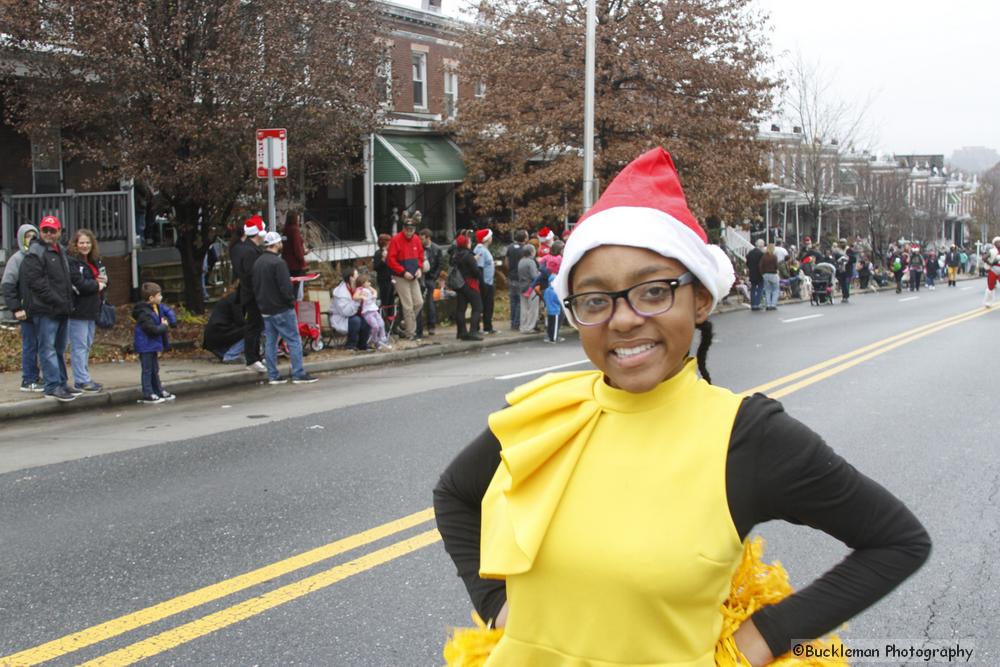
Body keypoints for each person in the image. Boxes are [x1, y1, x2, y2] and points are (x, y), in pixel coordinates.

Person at [433, 148, 930, 666]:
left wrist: (757, 643)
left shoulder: (747, 435)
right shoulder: (546, 410)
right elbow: (454, 494)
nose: (622, 320)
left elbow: (897, 541)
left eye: (653, 291)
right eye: (595, 300)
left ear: (701, 301)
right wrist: (497, 607)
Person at [20, 216, 79, 402]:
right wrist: (57, 301)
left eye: (52, 231)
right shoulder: (35, 252)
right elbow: (36, 283)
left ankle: (61, 383)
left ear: (59, 232)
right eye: (45, 230)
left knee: (59, 348)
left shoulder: (60, 250)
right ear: (41, 231)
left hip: (62, 309)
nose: (48, 234)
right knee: (48, 349)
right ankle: (52, 386)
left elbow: (65, 281)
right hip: (45, 310)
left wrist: (67, 302)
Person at [253, 231, 317, 385]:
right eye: (280, 242)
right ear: (275, 244)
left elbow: (256, 285)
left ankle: (273, 375)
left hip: (265, 308)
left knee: (271, 341)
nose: (282, 244)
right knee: (293, 340)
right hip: (281, 308)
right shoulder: (279, 263)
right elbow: (285, 288)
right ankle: (298, 373)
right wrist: (290, 301)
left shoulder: (258, 262)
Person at [1, 223, 42, 392]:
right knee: (30, 346)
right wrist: (16, 308)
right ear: (21, 238)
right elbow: (8, 285)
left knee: (44, 346)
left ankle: (40, 377)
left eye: (34, 235)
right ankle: (28, 379)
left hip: (43, 310)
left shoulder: (41, 257)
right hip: (26, 312)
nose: (31, 239)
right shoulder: (17, 259)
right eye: (27, 236)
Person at [67, 229, 108, 392]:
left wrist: (104, 282)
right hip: (78, 310)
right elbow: (78, 284)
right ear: (75, 244)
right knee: (79, 346)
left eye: (88, 242)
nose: (85, 246)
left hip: (93, 309)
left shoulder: (95, 261)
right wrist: (97, 285)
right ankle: (81, 380)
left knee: (87, 344)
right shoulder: (72, 262)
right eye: (81, 242)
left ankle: (85, 376)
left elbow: (104, 280)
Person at [229, 215, 267, 372]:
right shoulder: (250, 251)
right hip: (253, 294)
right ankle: (252, 358)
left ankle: (255, 356)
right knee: (254, 325)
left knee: (256, 325)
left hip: (251, 293)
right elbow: (251, 275)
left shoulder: (245, 248)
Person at [131, 282, 177, 404]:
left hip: (151, 344)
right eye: (159, 295)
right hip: (145, 345)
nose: (161, 297)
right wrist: (164, 326)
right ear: (151, 298)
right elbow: (152, 330)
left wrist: (172, 321)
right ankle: (148, 392)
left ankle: (158, 390)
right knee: (147, 369)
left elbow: (168, 311)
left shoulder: (156, 307)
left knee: (154, 368)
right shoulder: (144, 313)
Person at [386, 218, 425, 340]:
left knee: (419, 302)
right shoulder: (396, 239)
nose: (409, 232)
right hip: (401, 277)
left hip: (413, 276)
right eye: (407, 229)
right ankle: (410, 333)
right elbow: (390, 260)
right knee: (408, 305)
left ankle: (403, 323)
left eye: (412, 230)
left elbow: (420, 256)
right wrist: (402, 272)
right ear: (403, 229)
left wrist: (419, 268)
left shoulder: (417, 239)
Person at [329, 266, 370, 351]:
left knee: (368, 319)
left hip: (356, 315)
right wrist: (357, 300)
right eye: (357, 275)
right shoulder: (340, 292)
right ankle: (350, 346)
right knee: (356, 320)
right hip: (342, 318)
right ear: (351, 278)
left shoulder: (359, 287)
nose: (359, 276)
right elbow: (346, 312)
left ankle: (362, 346)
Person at [453, 234, 484, 341]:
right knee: (477, 307)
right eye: (469, 242)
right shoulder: (469, 256)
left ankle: (461, 332)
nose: (470, 243)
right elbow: (475, 272)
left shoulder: (456, 255)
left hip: (460, 284)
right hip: (470, 283)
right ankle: (473, 331)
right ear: (466, 244)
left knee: (461, 309)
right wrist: (478, 267)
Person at [202, 290, 246, 363]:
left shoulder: (230, 297)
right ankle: (231, 355)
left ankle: (227, 353)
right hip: (220, 333)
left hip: (213, 338)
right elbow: (240, 321)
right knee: (252, 330)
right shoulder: (237, 299)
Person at [416, 228, 443, 338]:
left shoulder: (436, 249)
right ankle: (420, 327)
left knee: (430, 302)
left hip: (430, 278)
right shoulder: (419, 248)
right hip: (420, 277)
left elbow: (439, 264)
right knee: (419, 302)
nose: (420, 241)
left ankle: (431, 325)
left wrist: (434, 276)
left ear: (428, 238)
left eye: (422, 239)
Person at [356, 272, 392, 350]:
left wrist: (370, 288)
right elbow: (355, 296)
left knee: (381, 323)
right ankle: (374, 339)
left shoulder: (369, 289)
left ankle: (383, 338)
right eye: (367, 282)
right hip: (367, 312)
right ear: (362, 283)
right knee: (375, 326)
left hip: (374, 310)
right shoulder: (360, 289)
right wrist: (361, 296)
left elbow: (375, 292)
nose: (369, 283)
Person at [474, 228, 498, 334]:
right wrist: (482, 283)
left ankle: (488, 326)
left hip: (488, 281)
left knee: (489, 305)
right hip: (485, 283)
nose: (492, 238)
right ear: (487, 238)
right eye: (490, 236)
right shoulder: (481, 250)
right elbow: (479, 268)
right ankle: (484, 327)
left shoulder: (484, 249)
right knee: (485, 305)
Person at [281, 210, 309, 300]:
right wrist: (302, 260)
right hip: (296, 265)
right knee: (296, 290)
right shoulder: (295, 230)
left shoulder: (285, 230)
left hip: (286, 263)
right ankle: (294, 308)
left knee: (289, 288)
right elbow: (297, 248)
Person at [505, 230, 528, 330]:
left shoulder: (510, 247)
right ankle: (517, 323)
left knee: (513, 301)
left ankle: (512, 322)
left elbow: (506, 261)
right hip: (520, 278)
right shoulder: (524, 249)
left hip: (511, 277)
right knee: (519, 301)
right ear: (525, 238)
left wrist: (510, 270)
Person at [517, 243, 540, 333]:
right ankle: (530, 327)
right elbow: (534, 276)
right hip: (531, 287)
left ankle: (523, 326)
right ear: (531, 252)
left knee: (524, 308)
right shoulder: (531, 262)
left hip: (522, 286)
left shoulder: (521, 261)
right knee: (533, 309)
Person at [372, 233, 395, 321]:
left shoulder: (390, 252)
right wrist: (383, 259)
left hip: (391, 279)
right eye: (389, 242)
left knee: (391, 300)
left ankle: (391, 321)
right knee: (385, 300)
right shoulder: (378, 253)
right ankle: (384, 322)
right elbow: (376, 267)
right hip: (383, 280)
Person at [542, 265, 564, 343]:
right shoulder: (556, 291)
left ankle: (549, 337)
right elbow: (558, 300)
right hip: (556, 310)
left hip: (549, 310)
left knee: (550, 325)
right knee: (555, 326)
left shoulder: (547, 290)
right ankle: (554, 338)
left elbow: (544, 298)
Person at [759, 242, 780, 310]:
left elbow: (760, 266)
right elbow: (776, 266)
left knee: (767, 290)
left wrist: (762, 273)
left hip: (765, 274)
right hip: (773, 274)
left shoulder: (764, 256)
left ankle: (768, 305)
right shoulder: (774, 257)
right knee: (775, 290)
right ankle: (773, 304)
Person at [745, 239, 764, 311]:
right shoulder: (761, 254)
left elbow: (747, 263)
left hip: (752, 273)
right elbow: (762, 264)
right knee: (760, 289)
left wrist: (750, 268)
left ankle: (753, 304)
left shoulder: (750, 253)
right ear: (761, 245)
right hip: (759, 274)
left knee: (753, 289)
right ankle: (757, 303)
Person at [983, 236, 1000, 308]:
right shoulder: (992, 251)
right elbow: (984, 258)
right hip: (993, 269)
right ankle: (988, 303)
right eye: (997, 242)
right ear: (994, 243)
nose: (999, 243)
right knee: (990, 287)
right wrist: (989, 263)